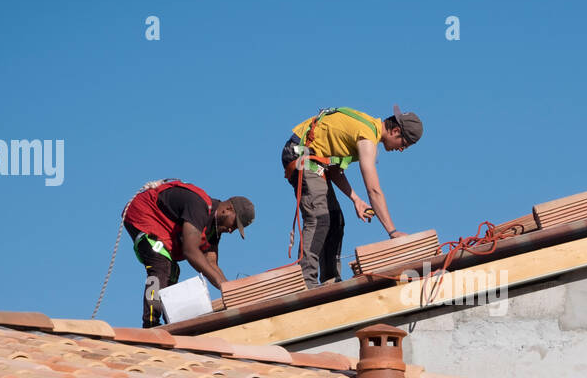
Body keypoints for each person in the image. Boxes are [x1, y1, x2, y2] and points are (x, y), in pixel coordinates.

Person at [282, 104, 422, 287]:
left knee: (335, 219)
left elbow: (333, 169)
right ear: (396, 131)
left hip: (316, 159)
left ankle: (330, 279)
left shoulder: (366, 127)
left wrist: (355, 199)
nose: (401, 149)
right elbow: (373, 190)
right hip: (300, 153)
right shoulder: (367, 138)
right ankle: (305, 281)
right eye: (404, 144)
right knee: (319, 218)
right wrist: (392, 231)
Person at [121, 180, 254, 327]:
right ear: (227, 209)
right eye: (234, 224)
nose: (231, 230)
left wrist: (231, 290)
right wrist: (223, 285)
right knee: (161, 265)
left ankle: (170, 324)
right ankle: (150, 324)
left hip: (163, 227)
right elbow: (190, 251)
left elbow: (211, 263)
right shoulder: (199, 206)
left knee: (173, 271)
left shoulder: (214, 229)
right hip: (143, 215)